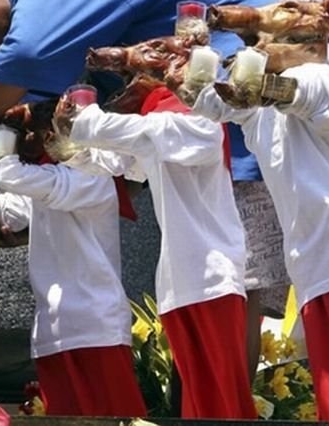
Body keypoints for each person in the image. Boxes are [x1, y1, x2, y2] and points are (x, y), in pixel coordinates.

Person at [0, 0, 289, 377]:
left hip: (237, 77)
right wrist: (25, 211)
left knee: (227, 271)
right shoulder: (58, 36)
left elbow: (25, 56)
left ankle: (226, 409)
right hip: (197, 102)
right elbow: (97, 165)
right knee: (208, 275)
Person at [190, 0, 329, 421]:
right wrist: (185, 60)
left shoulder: (327, 81)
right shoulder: (264, 111)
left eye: (265, 41)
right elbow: (210, 102)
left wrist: (250, 79)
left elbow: (294, 93)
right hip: (315, 264)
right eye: (252, 45)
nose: (256, 51)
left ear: (309, 41)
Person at [52, 86, 256, 419]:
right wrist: (67, 144)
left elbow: (144, 133)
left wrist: (87, 119)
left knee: (224, 401)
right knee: (194, 403)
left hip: (213, 277)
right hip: (178, 282)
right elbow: (113, 162)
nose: (128, 83)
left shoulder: (199, 120)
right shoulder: (156, 126)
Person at [0, 99, 147, 417]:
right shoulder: (54, 178)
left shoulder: (94, 176)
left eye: (32, 133)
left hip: (96, 326)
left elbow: (23, 179)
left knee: (117, 421)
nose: (29, 144)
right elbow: (15, 207)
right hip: (52, 330)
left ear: (53, 134)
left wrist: (2, 138)